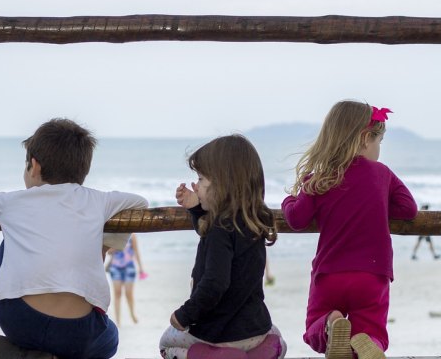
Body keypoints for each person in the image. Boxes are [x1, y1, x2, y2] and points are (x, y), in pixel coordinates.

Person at [0, 118, 149, 359]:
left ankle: (32, 354)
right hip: (80, 332)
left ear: (33, 166)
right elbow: (140, 203)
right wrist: (104, 246)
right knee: (111, 338)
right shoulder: (100, 200)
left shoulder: (9, 201)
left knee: (9, 244)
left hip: (21, 322)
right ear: (83, 170)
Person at [281, 101, 418, 359]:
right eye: (378, 142)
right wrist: (376, 205)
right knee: (372, 331)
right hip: (373, 273)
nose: (379, 149)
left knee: (314, 328)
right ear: (366, 139)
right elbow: (408, 209)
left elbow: (297, 219)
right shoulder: (382, 174)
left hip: (330, 273)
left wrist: (289, 200)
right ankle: (367, 344)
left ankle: (332, 323)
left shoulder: (320, 178)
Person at [159, 135, 287, 359]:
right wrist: (197, 208)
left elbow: (215, 283)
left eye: (200, 180)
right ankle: (262, 352)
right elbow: (208, 228)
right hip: (255, 329)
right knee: (276, 336)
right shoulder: (254, 220)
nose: (196, 186)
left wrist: (183, 315)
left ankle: (218, 356)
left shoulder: (219, 228)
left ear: (222, 186)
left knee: (167, 343)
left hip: (217, 333)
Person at [105, 233, 146, 325]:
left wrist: (141, 268)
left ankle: (132, 314)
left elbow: (136, 251)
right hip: (115, 267)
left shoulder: (132, 235)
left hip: (129, 267)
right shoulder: (114, 235)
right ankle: (118, 320)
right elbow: (108, 252)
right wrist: (116, 246)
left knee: (129, 293)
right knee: (117, 293)